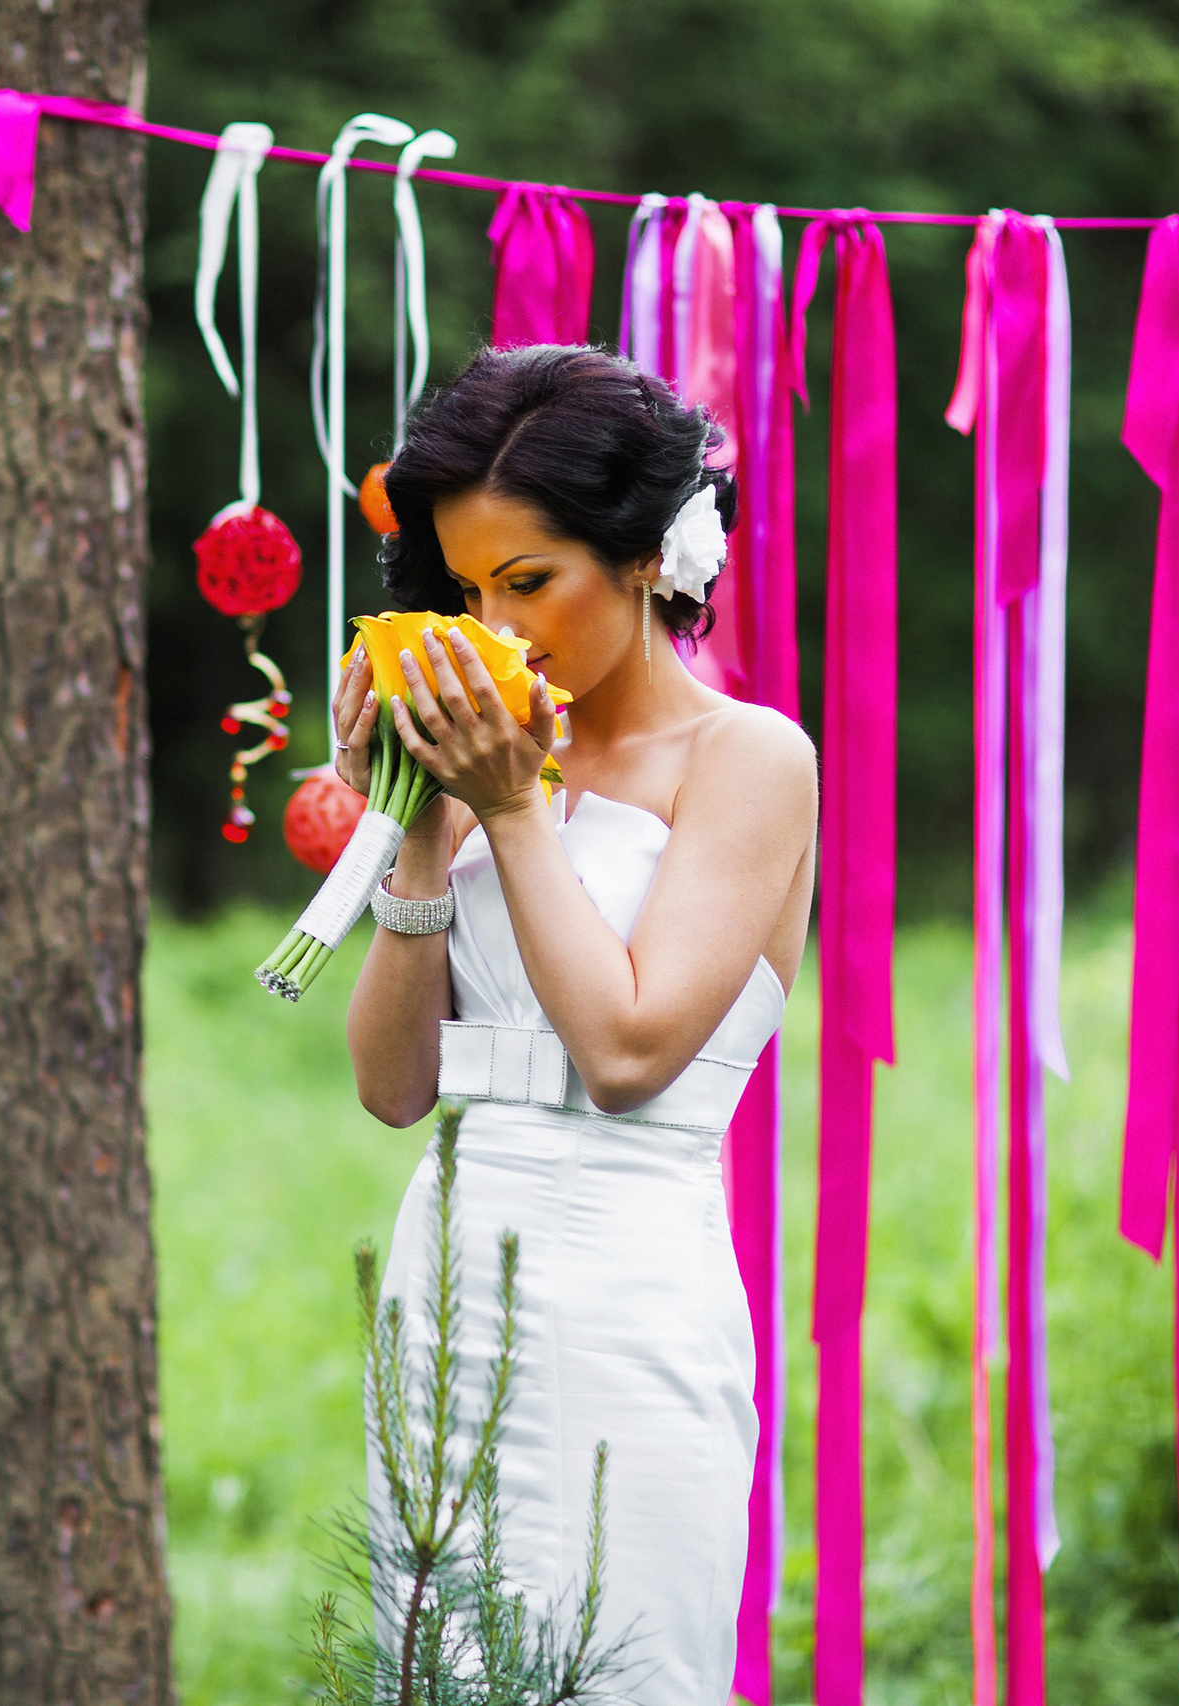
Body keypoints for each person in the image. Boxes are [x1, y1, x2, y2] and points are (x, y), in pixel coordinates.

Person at [334, 345, 817, 1703]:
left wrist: (508, 804)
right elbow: (390, 1087)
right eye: (472, 586)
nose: (498, 620)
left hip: (628, 1289)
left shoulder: (752, 760)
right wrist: (416, 827)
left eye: (528, 580)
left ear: (647, 555)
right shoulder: (494, 760)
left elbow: (625, 1051)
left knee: (625, 1662)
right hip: (447, 1292)